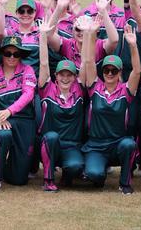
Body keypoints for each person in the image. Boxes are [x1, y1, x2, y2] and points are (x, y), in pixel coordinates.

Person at [81, 21, 141, 194]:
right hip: (96, 145)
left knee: (129, 144)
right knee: (94, 175)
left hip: (118, 144)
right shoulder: (95, 87)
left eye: (113, 71)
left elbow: (137, 71)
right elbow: (89, 61)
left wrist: (133, 45)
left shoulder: (126, 91)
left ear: (120, 73)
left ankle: (125, 183)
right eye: (106, 70)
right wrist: (91, 34)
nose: (109, 74)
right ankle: (98, 171)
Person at [36, 21, 86, 192]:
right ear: (56, 76)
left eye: (69, 75)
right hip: (51, 144)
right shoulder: (47, 88)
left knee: (76, 166)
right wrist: (43, 36)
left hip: (71, 145)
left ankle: (67, 175)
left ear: (74, 76)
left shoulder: (79, 90)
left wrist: (88, 35)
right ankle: (48, 179)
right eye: (62, 74)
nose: (65, 78)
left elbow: (86, 61)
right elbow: (43, 64)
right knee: (50, 137)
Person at [0, 36, 36, 193]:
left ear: (21, 55)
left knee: (19, 180)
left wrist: (9, 111)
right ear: (2, 54)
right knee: (3, 135)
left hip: (25, 121)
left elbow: (28, 95)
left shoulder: (28, 71)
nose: (12, 57)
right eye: (8, 53)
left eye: (16, 54)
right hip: (1, 120)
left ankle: (5, 168)